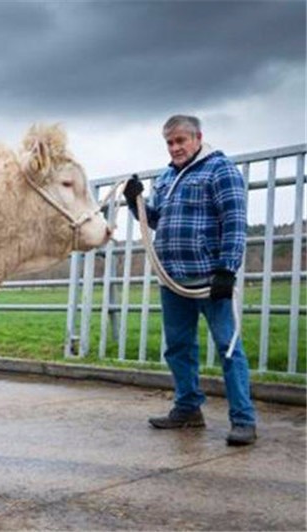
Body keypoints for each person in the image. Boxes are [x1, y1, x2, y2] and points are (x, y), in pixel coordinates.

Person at [124, 114, 257, 446]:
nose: (175, 148)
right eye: (169, 142)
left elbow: (235, 220)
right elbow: (153, 219)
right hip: (173, 279)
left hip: (210, 278)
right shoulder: (168, 177)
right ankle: (188, 409)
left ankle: (243, 420)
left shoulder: (220, 169)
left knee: (228, 348)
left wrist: (227, 268)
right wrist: (134, 200)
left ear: (198, 138)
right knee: (178, 348)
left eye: (180, 140)